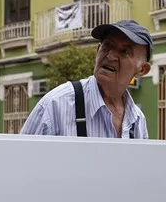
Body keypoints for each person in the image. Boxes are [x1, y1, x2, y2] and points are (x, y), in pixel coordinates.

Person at [21, 19, 152, 138]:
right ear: (98, 50)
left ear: (142, 69)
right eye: (107, 46)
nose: (111, 56)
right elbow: (20, 160)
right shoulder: (56, 105)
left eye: (125, 52)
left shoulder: (138, 120)